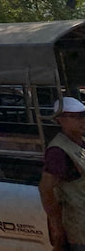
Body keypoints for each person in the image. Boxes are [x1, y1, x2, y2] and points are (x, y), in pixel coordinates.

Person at [41, 97, 85, 251]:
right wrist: (56, 225)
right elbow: (46, 188)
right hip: (79, 227)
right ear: (60, 120)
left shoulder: (81, 142)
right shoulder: (58, 151)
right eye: (75, 117)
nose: (82, 121)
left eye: (83, 115)